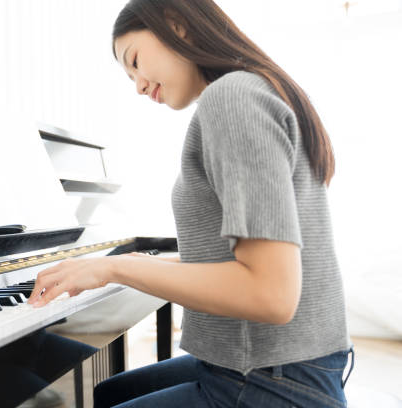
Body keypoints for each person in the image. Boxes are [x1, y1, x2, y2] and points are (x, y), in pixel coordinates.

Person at [28, 0, 353, 406]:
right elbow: (230, 269)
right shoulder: (251, 89)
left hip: (274, 378)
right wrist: (106, 269)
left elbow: (270, 294)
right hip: (285, 362)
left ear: (177, 26)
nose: (139, 86)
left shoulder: (233, 98)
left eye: (135, 62)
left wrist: (117, 266)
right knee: (110, 392)